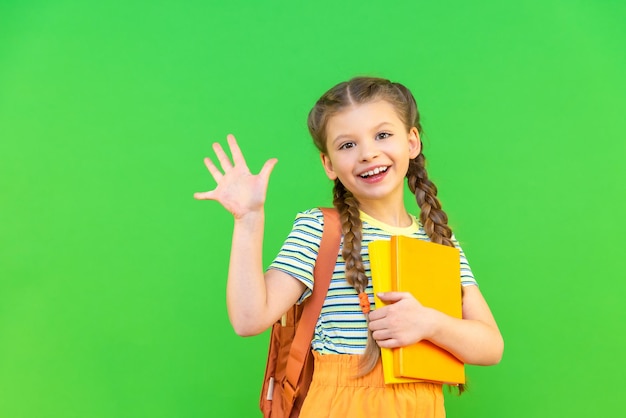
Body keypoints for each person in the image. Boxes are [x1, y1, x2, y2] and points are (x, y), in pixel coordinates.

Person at [194, 77, 503, 417]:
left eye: (382, 135)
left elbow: (490, 346)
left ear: (412, 141)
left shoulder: (438, 238)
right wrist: (249, 219)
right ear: (329, 164)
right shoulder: (320, 229)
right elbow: (249, 319)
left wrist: (429, 324)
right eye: (346, 145)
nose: (368, 153)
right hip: (339, 405)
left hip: (422, 406)